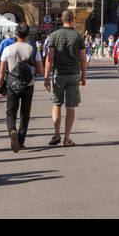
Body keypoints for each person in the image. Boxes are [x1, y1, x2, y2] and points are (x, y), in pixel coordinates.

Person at [45, 10, 86, 146]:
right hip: (73, 74)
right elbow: (83, 59)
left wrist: (46, 77)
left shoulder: (54, 36)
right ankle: (67, 138)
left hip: (58, 74)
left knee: (56, 104)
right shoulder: (78, 37)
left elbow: (49, 58)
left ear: (62, 19)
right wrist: (83, 76)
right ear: (73, 20)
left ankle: (56, 134)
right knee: (70, 106)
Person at [0, 22, 38, 151]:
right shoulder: (33, 49)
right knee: (25, 113)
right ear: (28, 35)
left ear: (16, 34)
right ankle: (20, 141)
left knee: (10, 112)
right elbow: (41, 69)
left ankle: (12, 131)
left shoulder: (8, 49)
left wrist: (0, 85)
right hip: (28, 84)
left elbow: (2, 69)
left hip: (12, 84)